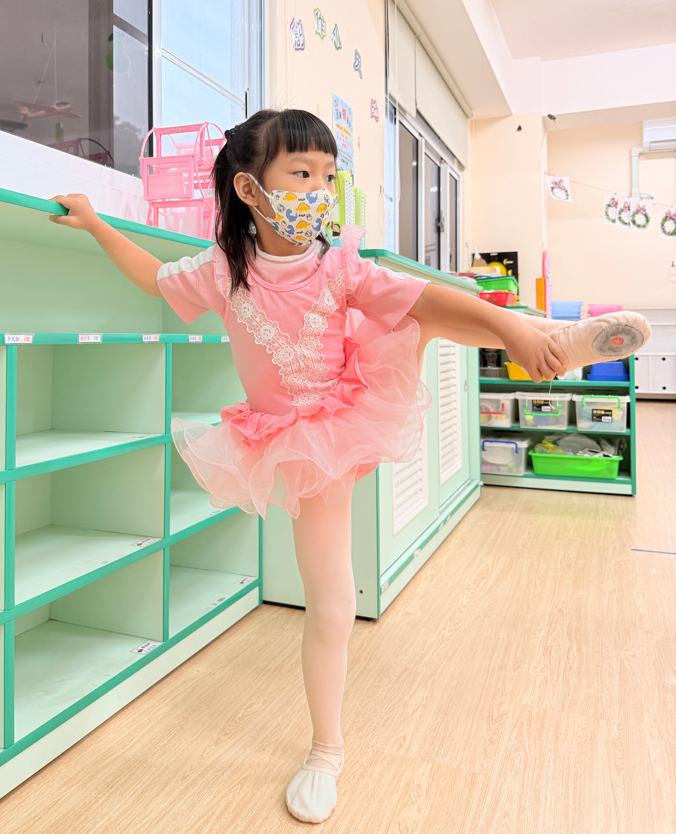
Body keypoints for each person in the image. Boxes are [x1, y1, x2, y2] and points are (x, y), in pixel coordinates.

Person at [49, 108, 650, 825]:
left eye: (327, 176)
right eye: (301, 173)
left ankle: (543, 334)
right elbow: (153, 278)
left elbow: (427, 297)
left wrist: (508, 326)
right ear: (249, 188)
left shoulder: (338, 266)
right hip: (295, 445)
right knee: (331, 602)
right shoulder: (222, 270)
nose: (318, 190)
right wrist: (96, 224)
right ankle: (325, 750)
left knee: (417, 313)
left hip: (350, 408)